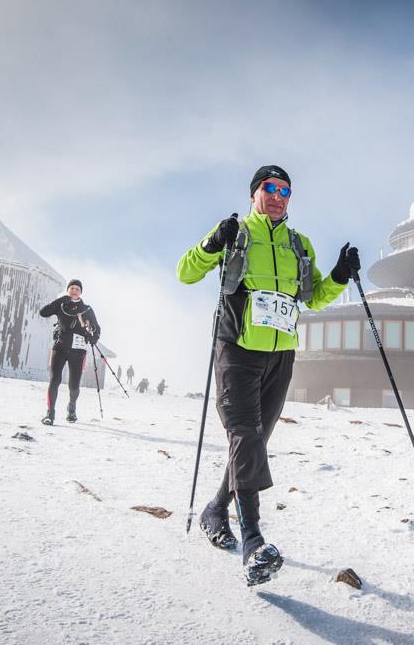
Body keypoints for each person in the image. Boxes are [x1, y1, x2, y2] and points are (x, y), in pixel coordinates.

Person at [176, 164, 358, 585]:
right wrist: (211, 243)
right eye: (270, 188)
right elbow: (185, 272)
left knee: (255, 439)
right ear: (255, 193)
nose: (278, 196)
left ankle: (217, 508)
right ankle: (254, 543)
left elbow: (313, 298)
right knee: (245, 434)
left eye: (285, 191)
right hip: (237, 349)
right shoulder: (235, 233)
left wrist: (339, 275)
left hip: (281, 356)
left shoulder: (299, 243)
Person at [39, 279, 100, 425]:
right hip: (59, 347)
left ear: (81, 292)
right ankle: (50, 413)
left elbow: (97, 328)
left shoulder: (87, 309)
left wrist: (94, 338)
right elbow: (43, 313)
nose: (74, 290)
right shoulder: (61, 306)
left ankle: (72, 408)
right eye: (72, 288)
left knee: (74, 385)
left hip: (78, 351)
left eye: (77, 289)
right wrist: (60, 299)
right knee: (55, 380)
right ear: (68, 290)